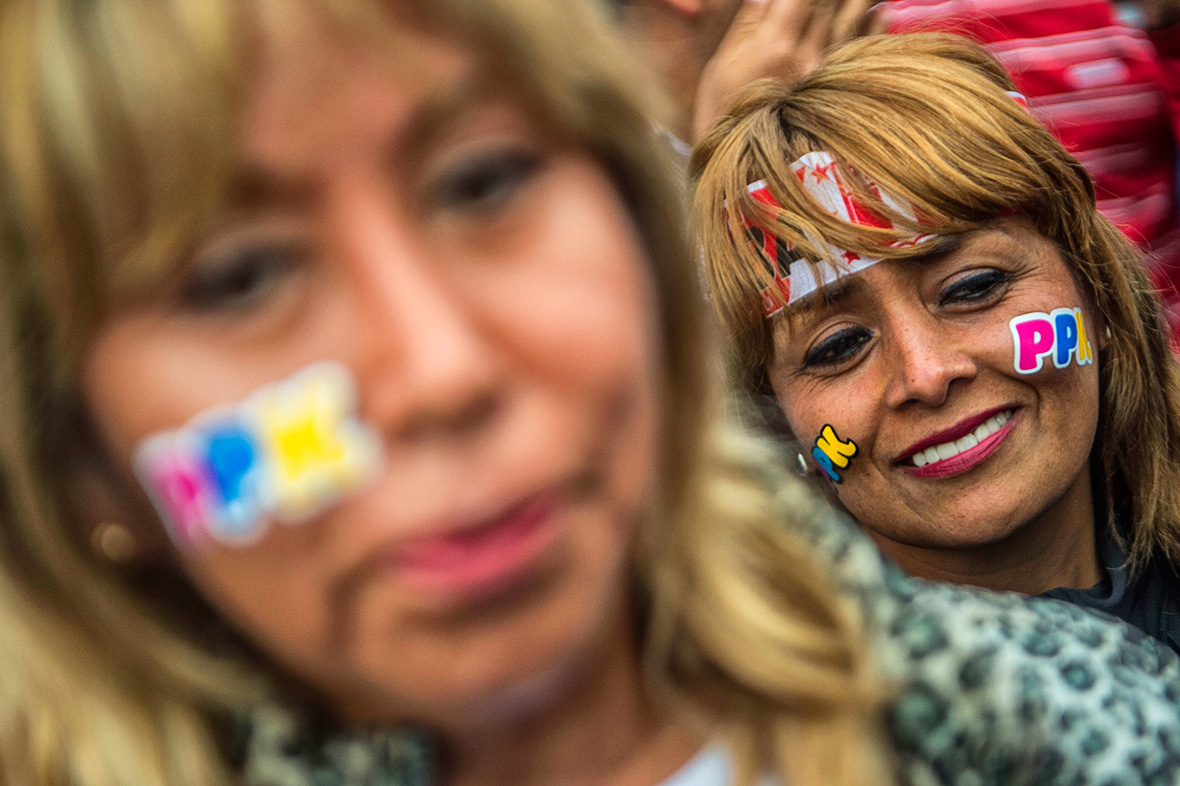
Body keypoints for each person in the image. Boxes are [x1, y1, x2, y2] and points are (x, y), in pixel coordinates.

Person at [3, 3, 1180, 786]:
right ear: (80, 467)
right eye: (238, 277)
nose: (442, 371)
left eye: (484, 181)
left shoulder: (1106, 732)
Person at [692, 32, 1180, 654]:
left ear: (1094, 288)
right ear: (779, 418)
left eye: (973, 287)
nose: (925, 373)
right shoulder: (766, 721)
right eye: (838, 347)